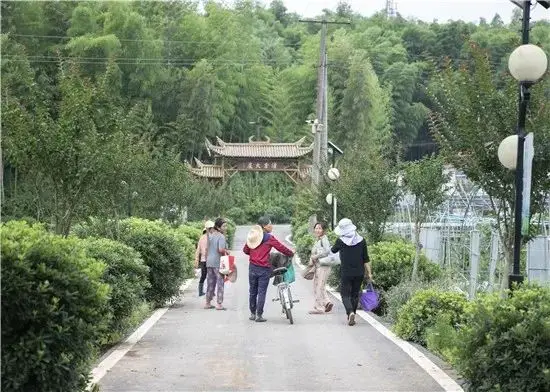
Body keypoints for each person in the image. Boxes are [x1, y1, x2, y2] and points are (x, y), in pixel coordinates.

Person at [243, 216, 294, 322]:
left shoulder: (252, 236)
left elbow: (245, 250)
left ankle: (252, 314)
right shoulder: (269, 238)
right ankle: (259, 315)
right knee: (261, 292)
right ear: (264, 226)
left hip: (252, 267)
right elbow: (281, 248)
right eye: (270, 224)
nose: (272, 226)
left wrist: (254, 254)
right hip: (264, 268)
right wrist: (290, 253)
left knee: (252, 291)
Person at [330, 218, 373, 326]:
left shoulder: (340, 241)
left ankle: (350, 312)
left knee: (345, 294)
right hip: (359, 272)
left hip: (346, 272)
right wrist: (369, 273)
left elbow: (333, 250)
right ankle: (352, 313)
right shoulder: (362, 240)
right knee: (355, 294)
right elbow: (366, 259)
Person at [308, 222, 333, 314]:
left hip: (323, 267)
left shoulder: (324, 239)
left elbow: (327, 251)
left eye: (319, 228)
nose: (317, 230)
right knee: (320, 286)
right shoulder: (319, 240)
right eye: (316, 228)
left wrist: (316, 256)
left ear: (324, 230)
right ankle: (327, 302)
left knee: (318, 287)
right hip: (320, 266)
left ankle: (319, 308)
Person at [205, 218, 229, 310]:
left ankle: (207, 302)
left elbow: (207, 248)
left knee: (210, 283)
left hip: (209, 262)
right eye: (224, 226)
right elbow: (220, 250)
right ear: (218, 227)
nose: (225, 228)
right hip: (218, 262)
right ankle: (219, 304)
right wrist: (227, 252)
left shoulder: (211, 235)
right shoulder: (221, 237)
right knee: (220, 283)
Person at [195, 220, 214, 297]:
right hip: (210, 260)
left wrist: (196, 260)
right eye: (212, 228)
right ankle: (210, 291)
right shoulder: (211, 237)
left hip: (203, 260)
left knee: (203, 275)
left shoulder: (201, 238)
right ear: (209, 229)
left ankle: (200, 292)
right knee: (211, 276)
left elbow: (198, 250)